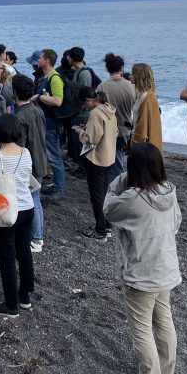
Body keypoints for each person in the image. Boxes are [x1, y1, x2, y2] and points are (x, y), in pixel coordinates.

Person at [104, 142, 181, 374]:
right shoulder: (168, 191)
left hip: (142, 273)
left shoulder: (133, 199)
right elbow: (176, 223)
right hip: (166, 266)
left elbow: (108, 209)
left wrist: (121, 179)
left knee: (141, 329)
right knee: (164, 320)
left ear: (133, 169)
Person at [0, 114, 34, 318]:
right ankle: (24, 297)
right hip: (27, 207)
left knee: (7, 256)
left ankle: (11, 305)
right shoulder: (25, 153)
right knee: (24, 251)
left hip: (6, 209)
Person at [75, 87, 118, 241]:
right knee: (105, 193)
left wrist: (81, 133)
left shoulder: (95, 113)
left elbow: (91, 139)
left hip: (97, 159)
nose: (84, 107)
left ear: (88, 100)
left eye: (84, 104)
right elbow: (114, 132)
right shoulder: (109, 109)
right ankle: (107, 226)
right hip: (109, 156)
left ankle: (100, 230)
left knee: (97, 196)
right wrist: (88, 129)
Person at [12, 75, 48, 253]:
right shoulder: (37, 109)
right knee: (36, 199)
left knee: (31, 200)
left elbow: (19, 145)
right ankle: (37, 236)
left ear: (15, 92)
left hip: (29, 163)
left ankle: (35, 238)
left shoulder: (20, 116)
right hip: (40, 158)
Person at [32, 49, 66, 195]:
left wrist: (39, 97)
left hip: (51, 124)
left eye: (40, 58)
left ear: (46, 60)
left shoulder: (55, 78)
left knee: (54, 156)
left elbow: (58, 101)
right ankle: (57, 185)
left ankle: (59, 188)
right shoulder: (46, 77)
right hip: (45, 122)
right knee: (50, 155)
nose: (38, 60)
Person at [98, 53, 136, 180]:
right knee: (122, 161)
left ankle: (118, 187)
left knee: (113, 164)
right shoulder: (131, 86)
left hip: (109, 130)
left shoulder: (102, 87)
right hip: (127, 129)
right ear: (122, 68)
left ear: (107, 68)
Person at [130, 63, 163, 154]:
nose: (130, 76)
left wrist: (135, 143)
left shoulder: (148, 97)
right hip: (142, 143)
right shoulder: (141, 94)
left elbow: (143, 126)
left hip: (144, 146)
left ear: (139, 76)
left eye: (132, 74)